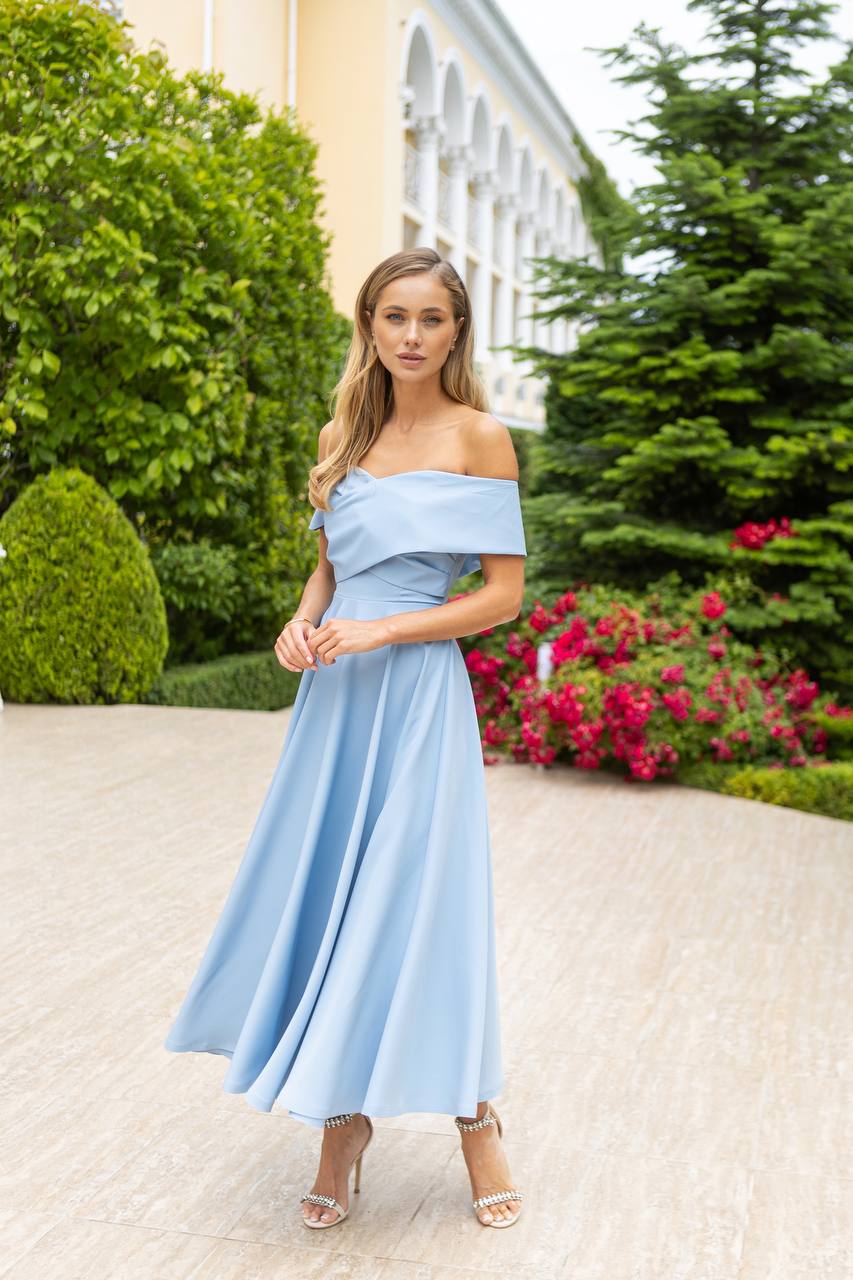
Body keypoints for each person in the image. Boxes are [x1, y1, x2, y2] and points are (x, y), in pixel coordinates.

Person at [164, 246, 527, 1231]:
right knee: (333, 900)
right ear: (368, 325)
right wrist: (300, 621)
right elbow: (330, 574)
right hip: (334, 702)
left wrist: (382, 627)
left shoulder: (480, 436)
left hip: (413, 699)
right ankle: (342, 1120)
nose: (411, 335)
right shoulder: (345, 431)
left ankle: (473, 1112)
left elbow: (501, 594)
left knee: (421, 899)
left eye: (431, 319)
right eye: (393, 316)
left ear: (456, 332)